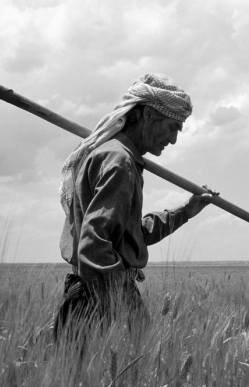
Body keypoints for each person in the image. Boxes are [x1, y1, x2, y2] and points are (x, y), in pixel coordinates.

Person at [54, 73, 217, 341]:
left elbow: (130, 236)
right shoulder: (119, 161)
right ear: (149, 115)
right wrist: (126, 306)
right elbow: (94, 245)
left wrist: (185, 211)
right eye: (173, 127)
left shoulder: (116, 155)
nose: (174, 139)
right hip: (99, 295)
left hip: (92, 291)